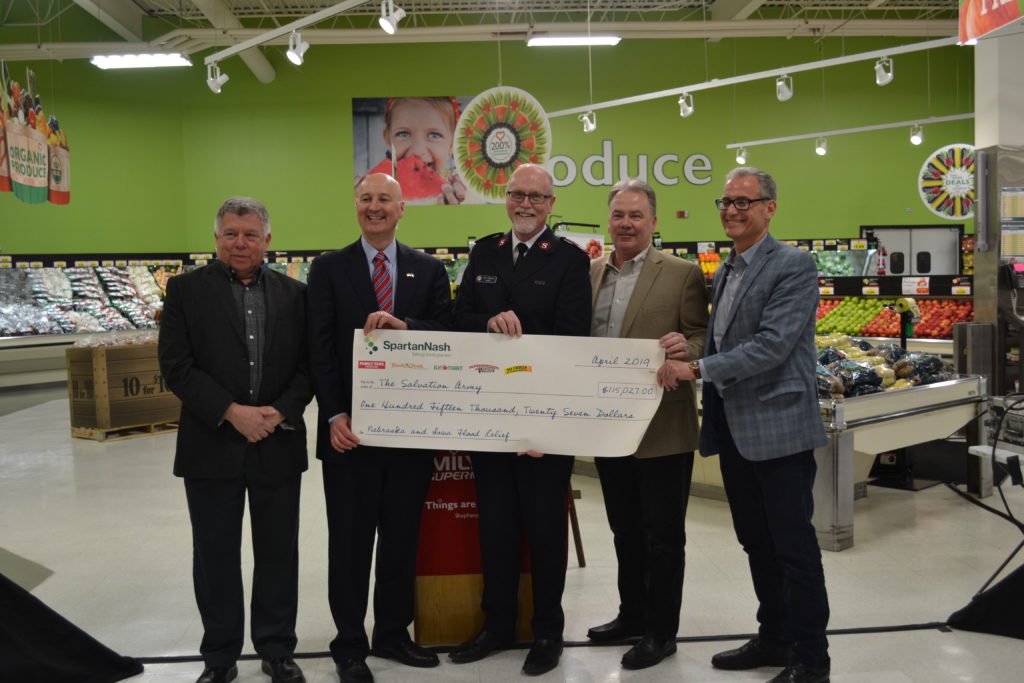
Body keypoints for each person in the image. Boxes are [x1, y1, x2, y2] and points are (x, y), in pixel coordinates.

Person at [665, 167, 831, 683]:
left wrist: (696, 369)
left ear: (769, 208)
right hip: (735, 430)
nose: (732, 210)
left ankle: (811, 659)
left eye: (744, 202)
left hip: (779, 429)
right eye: (726, 202)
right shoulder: (725, 269)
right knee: (756, 542)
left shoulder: (794, 265)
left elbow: (773, 345)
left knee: (794, 548)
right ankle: (776, 637)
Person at [306, 173, 453, 683]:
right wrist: (333, 415)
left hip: (409, 437)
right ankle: (349, 643)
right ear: (356, 206)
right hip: (350, 436)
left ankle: (393, 632)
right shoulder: (328, 269)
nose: (375, 207)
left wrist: (406, 327)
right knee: (348, 544)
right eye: (366, 199)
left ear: (401, 208)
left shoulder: (428, 270)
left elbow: (447, 334)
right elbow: (318, 350)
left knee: (400, 539)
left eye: (384, 199)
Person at [158, 197, 311, 683]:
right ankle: (219, 658)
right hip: (211, 446)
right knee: (215, 556)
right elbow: (176, 367)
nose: (239, 243)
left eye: (249, 234)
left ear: (268, 240)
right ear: (217, 238)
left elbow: (310, 367)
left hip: (277, 441)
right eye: (230, 233)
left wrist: (280, 410)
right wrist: (231, 413)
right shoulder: (185, 291)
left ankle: (276, 649)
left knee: (278, 555)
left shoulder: (295, 294)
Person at [449, 163, 591, 676]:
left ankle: (548, 632)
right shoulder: (483, 252)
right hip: (488, 417)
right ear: (505, 199)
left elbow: (575, 339)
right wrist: (486, 321)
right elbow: (457, 321)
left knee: (546, 529)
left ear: (551, 204)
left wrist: (544, 425)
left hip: (544, 423)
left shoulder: (570, 262)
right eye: (517, 195)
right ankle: (498, 625)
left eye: (537, 196)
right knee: (498, 528)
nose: (525, 204)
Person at [585, 178, 708, 669]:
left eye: (636, 215)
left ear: (654, 223)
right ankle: (631, 614)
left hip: (663, 427)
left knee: (663, 534)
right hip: (609, 428)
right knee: (623, 529)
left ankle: (662, 632)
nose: (627, 223)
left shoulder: (682, 274)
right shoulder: (590, 273)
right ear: (609, 221)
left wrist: (687, 351)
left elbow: (702, 340)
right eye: (619, 215)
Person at [364, 97, 466, 205]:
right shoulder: (372, 186)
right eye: (403, 134)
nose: (417, 151)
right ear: (388, 139)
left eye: (434, 135)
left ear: (453, 143)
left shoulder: (464, 191)